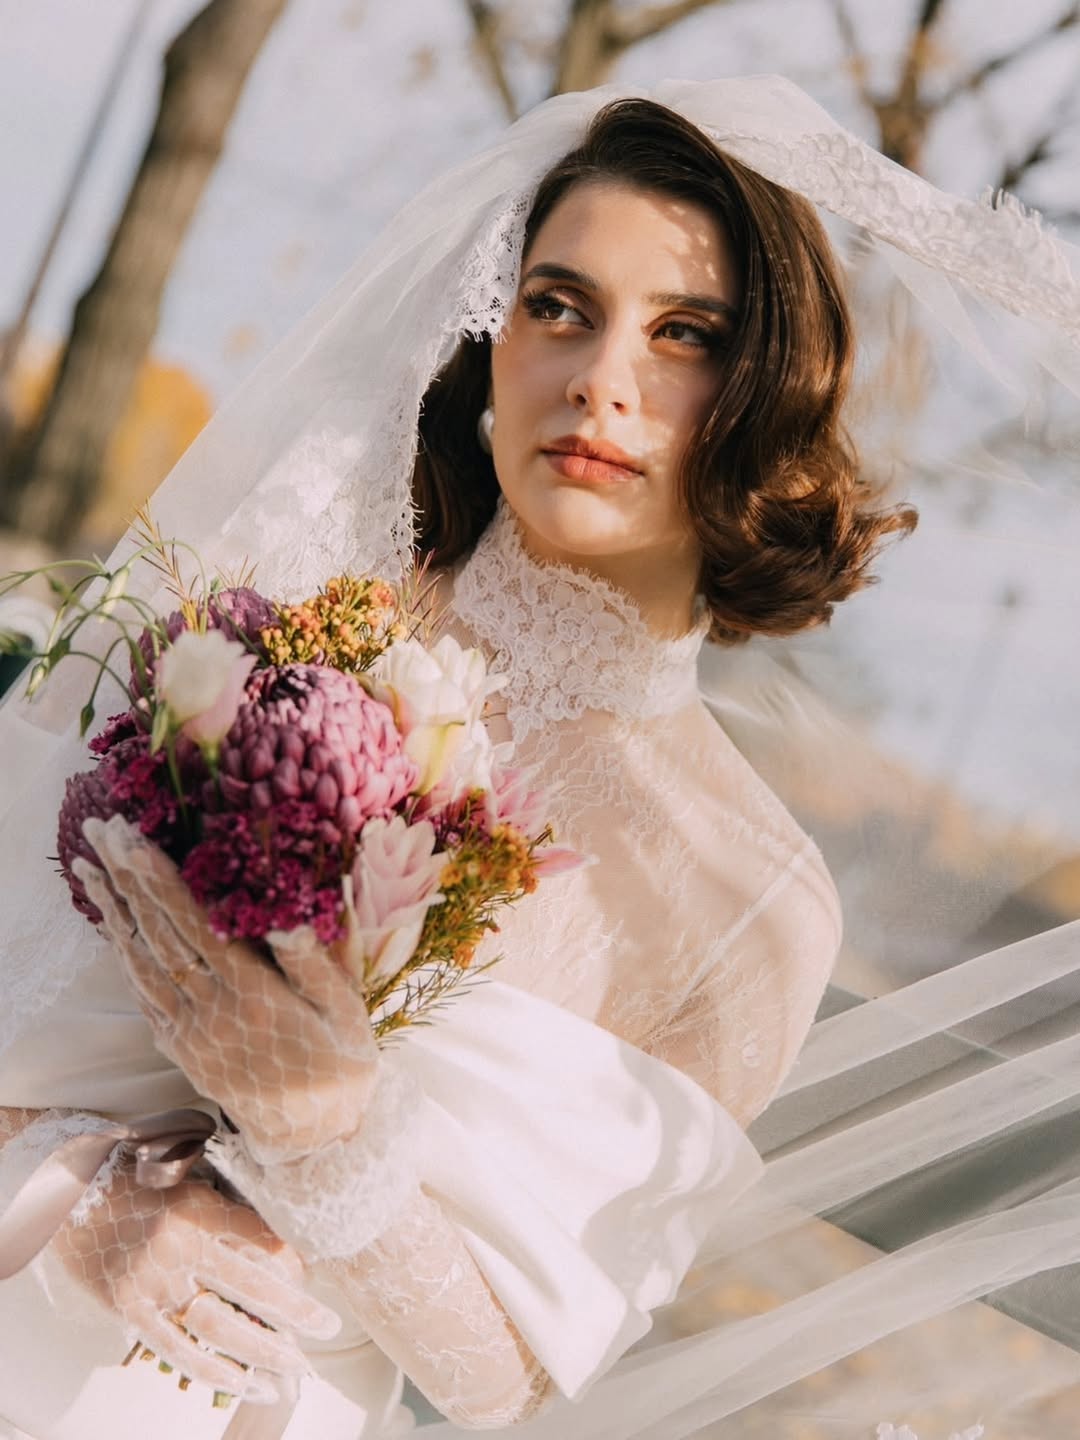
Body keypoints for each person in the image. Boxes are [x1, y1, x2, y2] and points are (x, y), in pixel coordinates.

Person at [0, 76, 1078, 1440]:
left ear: (766, 397)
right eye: (559, 305)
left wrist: (329, 1132)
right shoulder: (240, 632)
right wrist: (70, 1205)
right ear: (488, 336)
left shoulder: (752, 896)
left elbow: (501, 1374)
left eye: (684, 334)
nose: (598, 379)